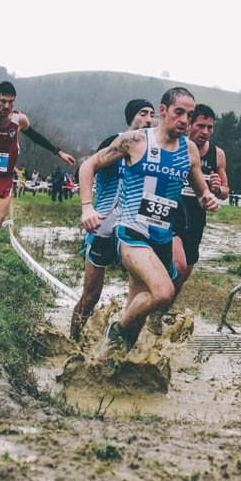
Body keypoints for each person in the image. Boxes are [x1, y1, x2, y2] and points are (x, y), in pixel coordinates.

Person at [80, 88, 219, 355]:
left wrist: (207, 199)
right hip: (132, 233)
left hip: (162, 239)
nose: (184, 121)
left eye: (189, 115)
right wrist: (87, 207)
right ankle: (115, 329)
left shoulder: (189, 150)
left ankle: (111, 362)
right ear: (163, 111)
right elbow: (88, 167)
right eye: (179, 112)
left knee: (139, 313)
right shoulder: (134, 141)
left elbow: (201, 190)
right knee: (164, 292)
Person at [0, 81, 74, 273]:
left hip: (3, 178)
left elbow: (36, 137)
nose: (7, 106)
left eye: (11, 102)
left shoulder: (19, 120)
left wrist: (58, 152)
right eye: (3, 101)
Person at [70, 98, 155, 341]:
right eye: (142, 114)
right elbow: (84, 170)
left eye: (151, 114)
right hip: (102, 228)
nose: (148, 119)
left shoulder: (155, 150)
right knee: (91, 297)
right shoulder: (116, 142)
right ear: (131, 119)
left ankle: (123, 350)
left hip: (133, 231)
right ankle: (72, 341)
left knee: (139, 297)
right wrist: (87, 207)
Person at [166, 104, 228, 329]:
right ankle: (152, 310)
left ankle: (163, 310)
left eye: (210, 128)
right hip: (171, 210)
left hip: (196, 215)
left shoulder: (216, 154)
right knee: (177, 266)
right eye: (201, 126)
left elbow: (224, 191)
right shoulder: (174, 145)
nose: (206, 132)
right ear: (189, 124)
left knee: (185, 273)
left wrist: (217, 188)